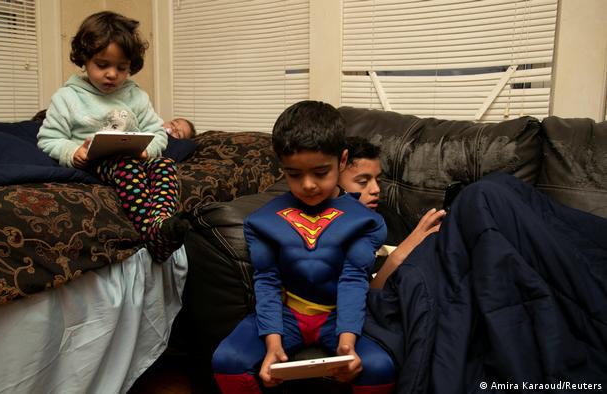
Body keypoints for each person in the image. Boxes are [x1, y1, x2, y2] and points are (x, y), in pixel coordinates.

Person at [211, 101, 396, 393]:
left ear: (343, 159)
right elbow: (267, 280)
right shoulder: (262, 221)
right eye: (294, 174)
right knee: (227, 360)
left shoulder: (365, 222)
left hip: (338, 315)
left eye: (320, 172)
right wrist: (273, 344)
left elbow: (353, 280)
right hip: (286, 314)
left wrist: (347, 346)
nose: (308, 184)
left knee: (379, 367)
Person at [37, 11, 188, 263]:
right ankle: (151, 236)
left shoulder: (136, 97)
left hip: (133, 158)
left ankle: (160, 225)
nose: (112, 74)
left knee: (165, 164)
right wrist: (73, 153)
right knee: (126, 167)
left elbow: (158, 134)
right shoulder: (67, 97)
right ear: (85, 59)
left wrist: (147, 151)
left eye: (122, 68)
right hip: (95, 164)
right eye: (102, 65)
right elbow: (49, 139)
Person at [338, 136, 445, 288]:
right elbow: (366, 302)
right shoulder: (333, 237)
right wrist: (399, 255)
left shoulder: (383, 213)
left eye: (378, 180)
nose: (376, 189)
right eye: (363, 182)